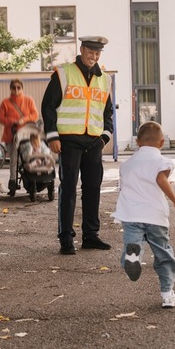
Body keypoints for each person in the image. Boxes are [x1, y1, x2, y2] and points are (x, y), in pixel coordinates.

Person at [42, 35, 114, 255]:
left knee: (93, 189)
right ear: (81, 50)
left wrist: (105, 137)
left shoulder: (105, 79)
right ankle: (66, 238)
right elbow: (48, 107)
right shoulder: (63, 74)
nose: (94, 56)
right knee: (69, 189)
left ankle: (91, 236)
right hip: (69, 141)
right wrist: (53, 136)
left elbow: (107, 111)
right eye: (90, 52)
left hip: (93, 141)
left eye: (97, 53)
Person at [111, 122, 175, 308]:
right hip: (155, 215)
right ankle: (167, 294)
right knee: (163, 253)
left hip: (131, 215)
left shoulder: (126, 165)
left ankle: (133, 256)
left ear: (137, 142)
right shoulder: (162, 161)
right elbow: (161, 179)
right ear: (161, 143)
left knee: (133, 244)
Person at [0, 79, 40, 192]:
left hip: (26, 134)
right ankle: (12, 181)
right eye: (14, 87)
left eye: (18, 87)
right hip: (11, 134)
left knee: (27, 156)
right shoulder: (5, 102)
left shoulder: (28, 100)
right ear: (10, 89)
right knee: (13, 159)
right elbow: (1, 118)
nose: (16, 90)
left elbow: (35, 114)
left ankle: (30, 179)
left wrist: (24, 119)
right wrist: (14, 121)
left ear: (22, 88)